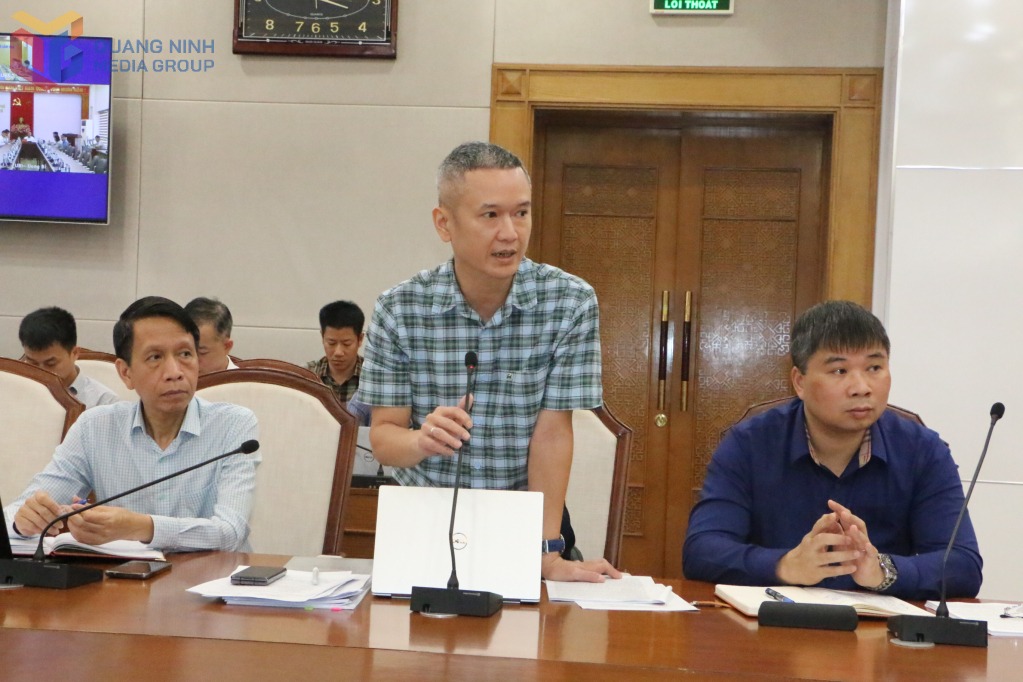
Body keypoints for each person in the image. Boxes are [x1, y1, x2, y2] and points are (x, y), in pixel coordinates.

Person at [358, 141, 620, 583]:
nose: (510, 233)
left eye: (522, 213)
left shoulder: (569, 302)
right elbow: (384, 439)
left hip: (524, 523)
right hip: (425, 520)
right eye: (491, 215)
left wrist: (545, 552)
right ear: (444, 223)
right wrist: (422, 440)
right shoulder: (399, 309)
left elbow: (553, 435)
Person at [682, 300, 982, 600]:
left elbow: (963, 565)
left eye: (874, 367)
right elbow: (702, 550)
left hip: (880, 626)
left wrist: (882, 570)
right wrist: (785, 566)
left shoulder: (923, 451)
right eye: (839, 370)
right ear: (800, 382)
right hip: (771, 620)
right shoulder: (748, 444)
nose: (861, 387)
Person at [3, 296, 260, 552]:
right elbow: (15, 512)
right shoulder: (95, 427)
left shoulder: (234, 426)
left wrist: (141, 527)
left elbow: (231, 532)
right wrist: (23, 522)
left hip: (213, 576)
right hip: (127, 576)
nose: (175, 372)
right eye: (155, 357)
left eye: (185, 354)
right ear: (126, 373)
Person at [19, 306, 120, 409]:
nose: (42, 372)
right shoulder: (17, 391)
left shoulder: (104, 402)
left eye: (51, 364)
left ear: (74, 353)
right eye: (33, 363)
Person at [306, 300, 365, 406]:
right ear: (322, 337)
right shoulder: (306, 375)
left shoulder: (374, 378)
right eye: (331, 343)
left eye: (346, 344)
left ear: (360, 339)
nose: (338, 352)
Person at [184, 297, 238, 376]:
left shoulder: (243, 382)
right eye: (185, 353)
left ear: (226, 346)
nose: (192, 361)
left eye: (202, 353)